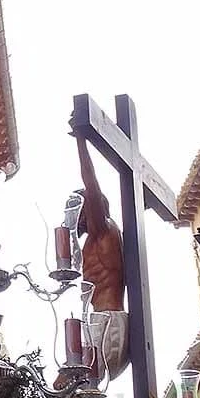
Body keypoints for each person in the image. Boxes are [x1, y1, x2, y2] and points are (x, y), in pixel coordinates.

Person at [75, 134, 130, 379]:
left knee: (77, 385)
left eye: (77, 209)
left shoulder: (103, 230)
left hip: (109, 323)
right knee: (67, 387)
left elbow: (91, 182)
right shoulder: (91, 240)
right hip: (98, 321)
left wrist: (80, 141)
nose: (73, 217)